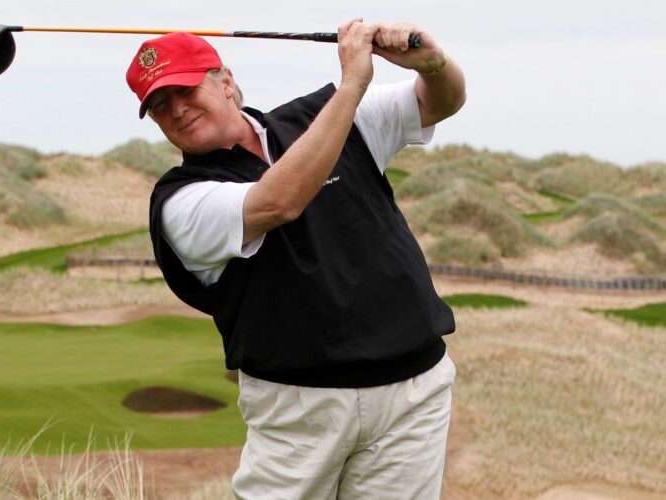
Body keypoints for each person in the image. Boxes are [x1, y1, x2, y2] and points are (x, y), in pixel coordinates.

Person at [126, 18, 465, 499]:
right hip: (298, 410)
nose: (177, 110)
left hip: (412, 393)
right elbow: (277, 201)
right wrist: (351, 85)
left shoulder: (322, 114)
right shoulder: (180, 202)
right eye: (160, 105)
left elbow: (439, 102)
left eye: (185, 90)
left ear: (225, 82)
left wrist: (434, 65)